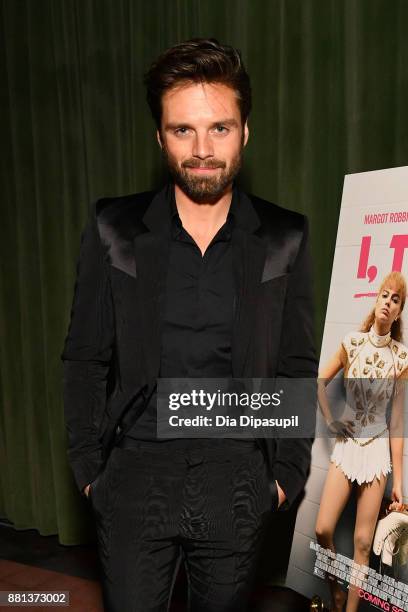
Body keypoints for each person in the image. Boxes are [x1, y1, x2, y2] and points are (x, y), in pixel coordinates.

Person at [61, 38, 317, 612]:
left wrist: (285, 475)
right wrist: (90, 474)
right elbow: (84, 358)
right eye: (183, 130)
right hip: (135, 475)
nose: (202, 150)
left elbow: (296, 362)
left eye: (220, 129)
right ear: (160, 136)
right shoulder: (115, 230)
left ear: (245, 131)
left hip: (240, 475)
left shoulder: (284, 237)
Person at [315, 271, 408, 612]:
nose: (388, 302)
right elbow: (319, 382)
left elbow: (397, 421)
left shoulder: (401, 358)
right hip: (348, 446)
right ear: (377, 299)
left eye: (395, 299)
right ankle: (336, 593)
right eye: (385, 295)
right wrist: (331, 419)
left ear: (399, 311)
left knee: (363, 543)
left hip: (377, 452)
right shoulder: (352, 342)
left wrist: (399, 482)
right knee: (323, 529)